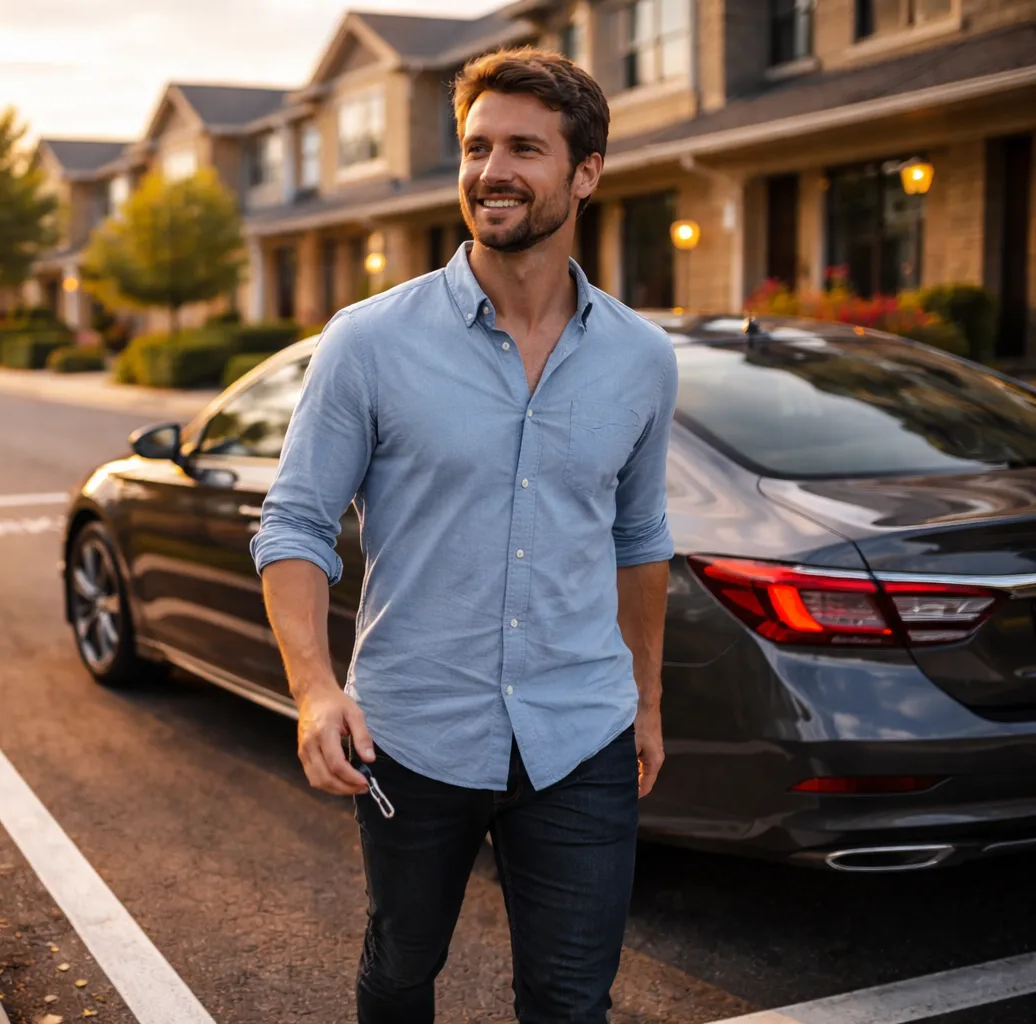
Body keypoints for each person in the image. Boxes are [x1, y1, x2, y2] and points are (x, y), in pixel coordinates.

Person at [248, 47, 677, 1024]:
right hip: (410, 734)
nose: (493, 171)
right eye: (478, 146)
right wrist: (316, 692)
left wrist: (646, 702)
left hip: (584, 730)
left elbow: (639, 537)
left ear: (587, 172)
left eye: (526, 147)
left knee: (572, 1002)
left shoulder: (642, 360)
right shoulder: (368, 341)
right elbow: (297, 522)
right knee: (402, 971)